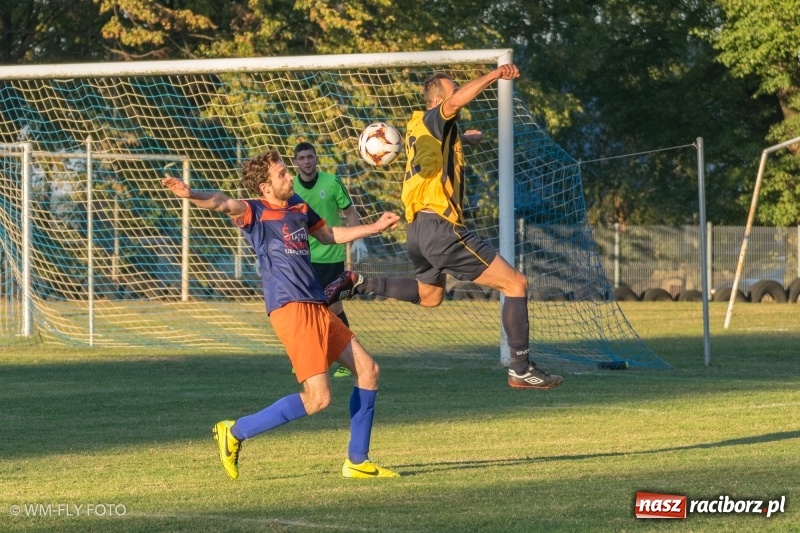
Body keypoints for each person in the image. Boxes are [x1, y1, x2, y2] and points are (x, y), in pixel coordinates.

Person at [161, 150, 400, 480]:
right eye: (283, 174)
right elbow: (221, 202)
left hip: (316, 305)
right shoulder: (254, 211)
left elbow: (328, 234)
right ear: (265, 186)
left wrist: (373, 227)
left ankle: (357, 461)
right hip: (290, 309)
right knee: (318, 399)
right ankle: (235, 432)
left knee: (369, 371)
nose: (290, 177)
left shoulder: (299, 206)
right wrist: (191, 195)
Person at [327, 65, 563, 390]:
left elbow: (434, 151)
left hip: (418, 231)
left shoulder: (416, 128)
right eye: (453, 93)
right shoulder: (435, 117)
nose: (457, 99)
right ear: (438, 100)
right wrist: (494, 76)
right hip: (441, 229)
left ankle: (360, 282)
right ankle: (520, 368)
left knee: (430, 297)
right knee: (516, 284)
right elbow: (452, 106)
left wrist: (462, 139)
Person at [292, 141, 368, 378]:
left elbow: (349, 211)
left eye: (310, 157)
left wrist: (358, 240)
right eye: (302, 158)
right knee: (303, 309)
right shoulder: (289, 186)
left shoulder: (332, 182)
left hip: (331, 255)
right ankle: (307, 358)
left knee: (334, 308)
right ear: (296, 162)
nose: (307, 161)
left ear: (316, 159)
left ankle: (348, 358)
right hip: (301, 256)